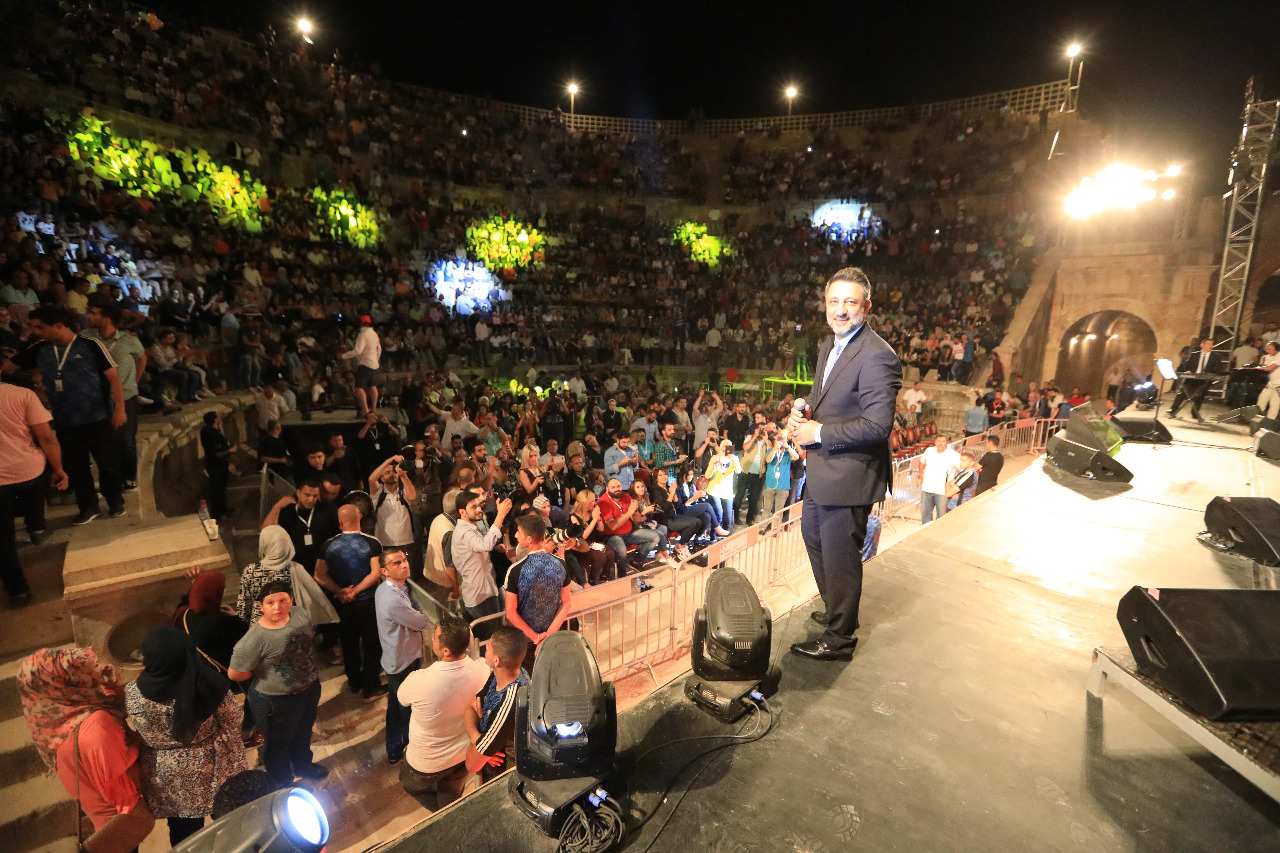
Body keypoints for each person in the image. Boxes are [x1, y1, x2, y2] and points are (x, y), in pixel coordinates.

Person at [787, 267, 902, 661]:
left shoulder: (877, 356)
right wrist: (803, 410)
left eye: (850, 302)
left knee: (841, 556)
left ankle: (839, 638)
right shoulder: (830, 345)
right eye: (834, 301)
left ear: (866, 307)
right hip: (824, 470)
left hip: (850, 474)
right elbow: (823, 397)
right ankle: (838, 609)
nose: (840, 309)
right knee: (814, 539)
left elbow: (877, 425)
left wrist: (817, 432)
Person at [18, 647, 156, 851]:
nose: (97, 673)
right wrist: (142, 744)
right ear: (67, 683)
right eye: (80, 674)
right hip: (120, 822)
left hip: (103, 821)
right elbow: (123, 795)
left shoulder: (53, 728)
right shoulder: (97, 725)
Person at [125, 626, 248, 845]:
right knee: (227, 815)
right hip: (213, 766)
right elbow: (233, 720)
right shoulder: (209, 686)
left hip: (166, 773)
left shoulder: (133, 693)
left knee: (184, 832)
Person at [23, 304, 126, 525]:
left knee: (107, 462)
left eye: (39, 327)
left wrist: (120, 409)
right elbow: (9, 365)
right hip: (65, 420)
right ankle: (88, 507)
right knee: (76, 466)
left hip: (97, 416)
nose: (35, 331)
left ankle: (115, 501)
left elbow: (113, 377)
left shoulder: (90, 345)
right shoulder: (40, 348)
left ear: (58, 325)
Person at [228, 581, 327, 784]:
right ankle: (282, 782)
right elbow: (235, 674)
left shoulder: (300, 614)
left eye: (282, 600)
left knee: (303, 731)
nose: (277, 607)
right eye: (270, 602)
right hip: (276, 701)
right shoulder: (253, 640)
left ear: (291, 600)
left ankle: (302, 765)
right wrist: (269, 678)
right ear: (261, 606)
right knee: (277, 744)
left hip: (308, 689)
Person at [396, 616, 490, 808]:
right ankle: (449, 814)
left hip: (426, 763)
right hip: (462, 756)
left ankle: (442, 814)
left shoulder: (419, 680)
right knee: (451, 800)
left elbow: (401, 698)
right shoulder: (482, 670)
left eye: (435, 637)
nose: (432, 639)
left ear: (446, 650)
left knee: (410, 785)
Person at [0, 378, 68, 605]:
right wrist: (58, 469)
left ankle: (17, 591)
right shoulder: (23, 395)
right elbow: (46, 437)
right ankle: (37, 527)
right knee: (35, 486)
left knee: (3, 539)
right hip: (27, 470)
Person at [315, 504, 386, 702]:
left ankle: (354, 682)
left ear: (340, 522)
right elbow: (375, 573)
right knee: (372, 644)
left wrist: (340, 591)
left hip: (342, 603)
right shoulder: (371, 542)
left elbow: (319, 575)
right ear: (360, 517)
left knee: (348, 642)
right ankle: (371, 687)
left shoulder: (328, 545)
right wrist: (356, 590)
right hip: (367, 602)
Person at [375, 547, 435, 766]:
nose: (404, 565)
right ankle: (412, 753)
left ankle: (394, 750)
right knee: (407, 710)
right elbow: (422, 621)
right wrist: (420, 617)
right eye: (396, 563)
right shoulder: (392, 599)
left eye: (404, 560)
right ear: (384, 570)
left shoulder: (389, 589)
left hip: (399, 657)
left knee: (395, 707)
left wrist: (415, 617)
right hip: (403, 661)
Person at [504, 515, 573, 667]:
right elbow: (567, 603)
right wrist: (548, 636)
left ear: (529, 539)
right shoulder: (561, 564)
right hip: (553, 637)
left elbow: (510, 613)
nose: (515, 535)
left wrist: (537, 638)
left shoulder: (515, 570)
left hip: (526, 641)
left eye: (518, 532)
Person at [464, 625, 528, 783]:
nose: (485, 648)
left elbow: (471, 764)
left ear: (497, 660)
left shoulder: (509, 703)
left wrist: (480, 744)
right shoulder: (505, 674)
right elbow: (471, 706)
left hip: (501, 776)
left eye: (489, 647)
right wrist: (480, 740)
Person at [451, 490, 514, 630]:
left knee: (496, 629)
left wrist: (495, 549)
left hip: (485, 590)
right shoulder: (464, 532)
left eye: (479, 506)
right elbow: (485, 545)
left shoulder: (470, 528)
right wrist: (501, 514)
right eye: (473, 507)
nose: (479, 510)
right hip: (480, 596)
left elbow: (481, 548)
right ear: (462, 512)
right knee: (492, 635)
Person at [598, 476, 670, 574]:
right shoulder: (603, 501)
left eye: (618, 486)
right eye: (613, 487)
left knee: (656, 536)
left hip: (629, 531)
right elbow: (612, 526)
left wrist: (637, 511)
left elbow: (637, 519)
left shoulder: (626, 496)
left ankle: (636, 561)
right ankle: (622, 570)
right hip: (612, 535)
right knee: (621, 549)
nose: (616, 489)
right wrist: (629, 513)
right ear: (607, 489)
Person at [1168, 338, 1227, 422]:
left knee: (1200, 395)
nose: (1210, 346)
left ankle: (1195, 412)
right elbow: (1188, 366)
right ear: (1202, 345)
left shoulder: (1215, 356)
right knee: (1183, 392)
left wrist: (1212, 373)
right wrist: (1188, 371)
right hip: (1193, 377)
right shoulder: (1195, 355)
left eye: (1211, 344)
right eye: (1208, 344)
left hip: (1205, 379)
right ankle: (1173, 410)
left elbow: (1219, 368)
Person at [341, 314, 382, 416]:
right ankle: (373, 409)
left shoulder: (362, 335)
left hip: (365, 364)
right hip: (374, 364)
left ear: (360, 324)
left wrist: (343, 356)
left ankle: (366, 411)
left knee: (359, 388)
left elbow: (357, 351)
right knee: (372, 386)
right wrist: (375, 360)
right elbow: (379, 349)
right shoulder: (374, 334)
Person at [918, 434, 960, 525]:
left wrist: (954, 487)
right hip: (926, 490)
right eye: (938, 441)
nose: (940, 443)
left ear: (947, 443)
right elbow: (922, 461)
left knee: (942, 518)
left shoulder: (954, 455)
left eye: (943, 441)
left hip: (942, 492)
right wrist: (921, 473)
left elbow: (963, 470)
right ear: (935, 442)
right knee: (925, 516)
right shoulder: (929, 451)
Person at [200, 412, 236, 519]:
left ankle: (223, 509)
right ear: (215, 420)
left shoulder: (206, 431)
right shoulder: (213, 435)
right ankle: (217, 513)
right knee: (217, 490)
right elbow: (218, 453)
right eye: (218, 417)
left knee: (221, 489)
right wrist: (231, 450)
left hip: (216, 464)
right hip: (217, 465)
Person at [761, 425, 800, 521]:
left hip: (783, 487)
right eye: (778, 438)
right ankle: (763, 527)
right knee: (766, 509)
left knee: (779, 511)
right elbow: (768, 460)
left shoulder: (788, 453)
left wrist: (787, 446)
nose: (780, 441)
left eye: (782, 439)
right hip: (770, 485)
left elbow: (796, 457)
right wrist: (775, 448)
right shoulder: (771, 450)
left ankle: (775, 527)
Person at [703, 439, 741, 531]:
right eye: (724, 446)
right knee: (718, 515)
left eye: (729, 446)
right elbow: (707, 475)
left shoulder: (734, 458)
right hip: (714, 490)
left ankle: (724, 534)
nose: (726, 449)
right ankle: (714, 536)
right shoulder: (715, 458)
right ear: (720, 447)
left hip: (727, 491)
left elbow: (738, 471)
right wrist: (713, 468)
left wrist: (733, 460)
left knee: (728, 519)